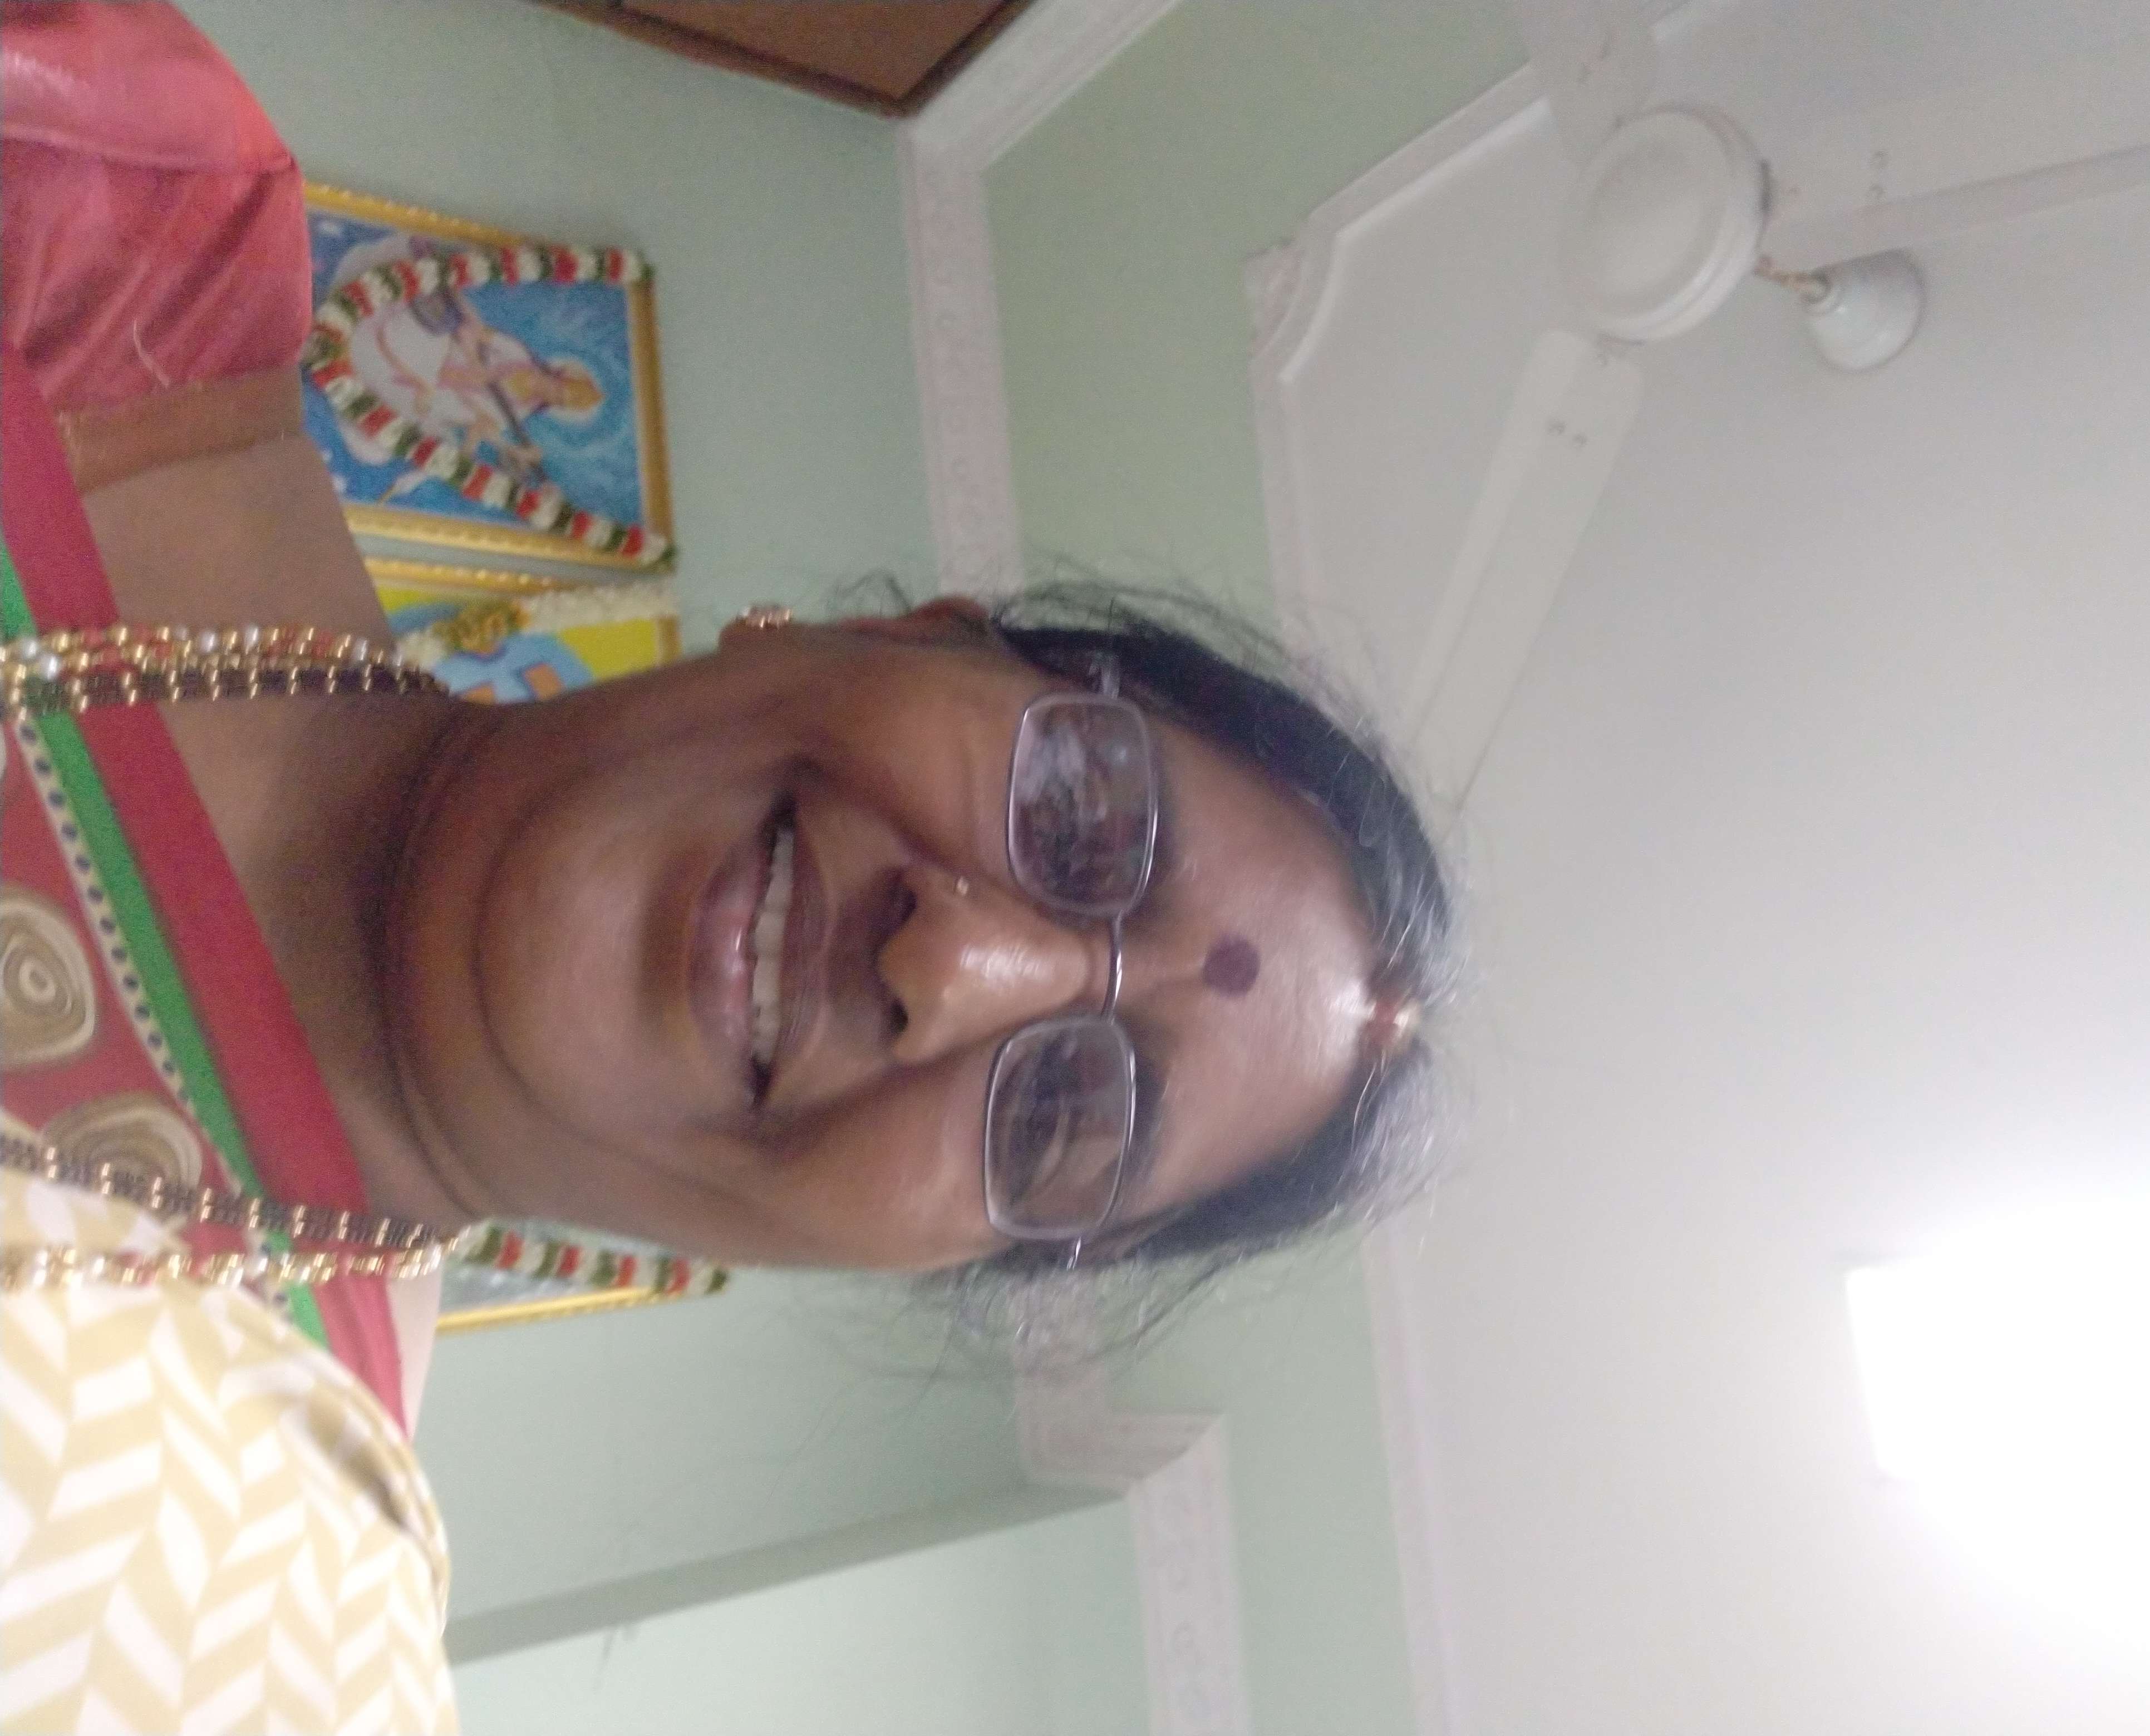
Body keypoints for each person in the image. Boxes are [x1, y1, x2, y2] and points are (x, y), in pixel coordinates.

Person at [0, 4, 1454, 1730]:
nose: (948, 970)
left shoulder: (252, 1616)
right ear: (908, 631)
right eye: (1082, 821)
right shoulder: (97, 189)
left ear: (914, 1261)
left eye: (1063, 1121)